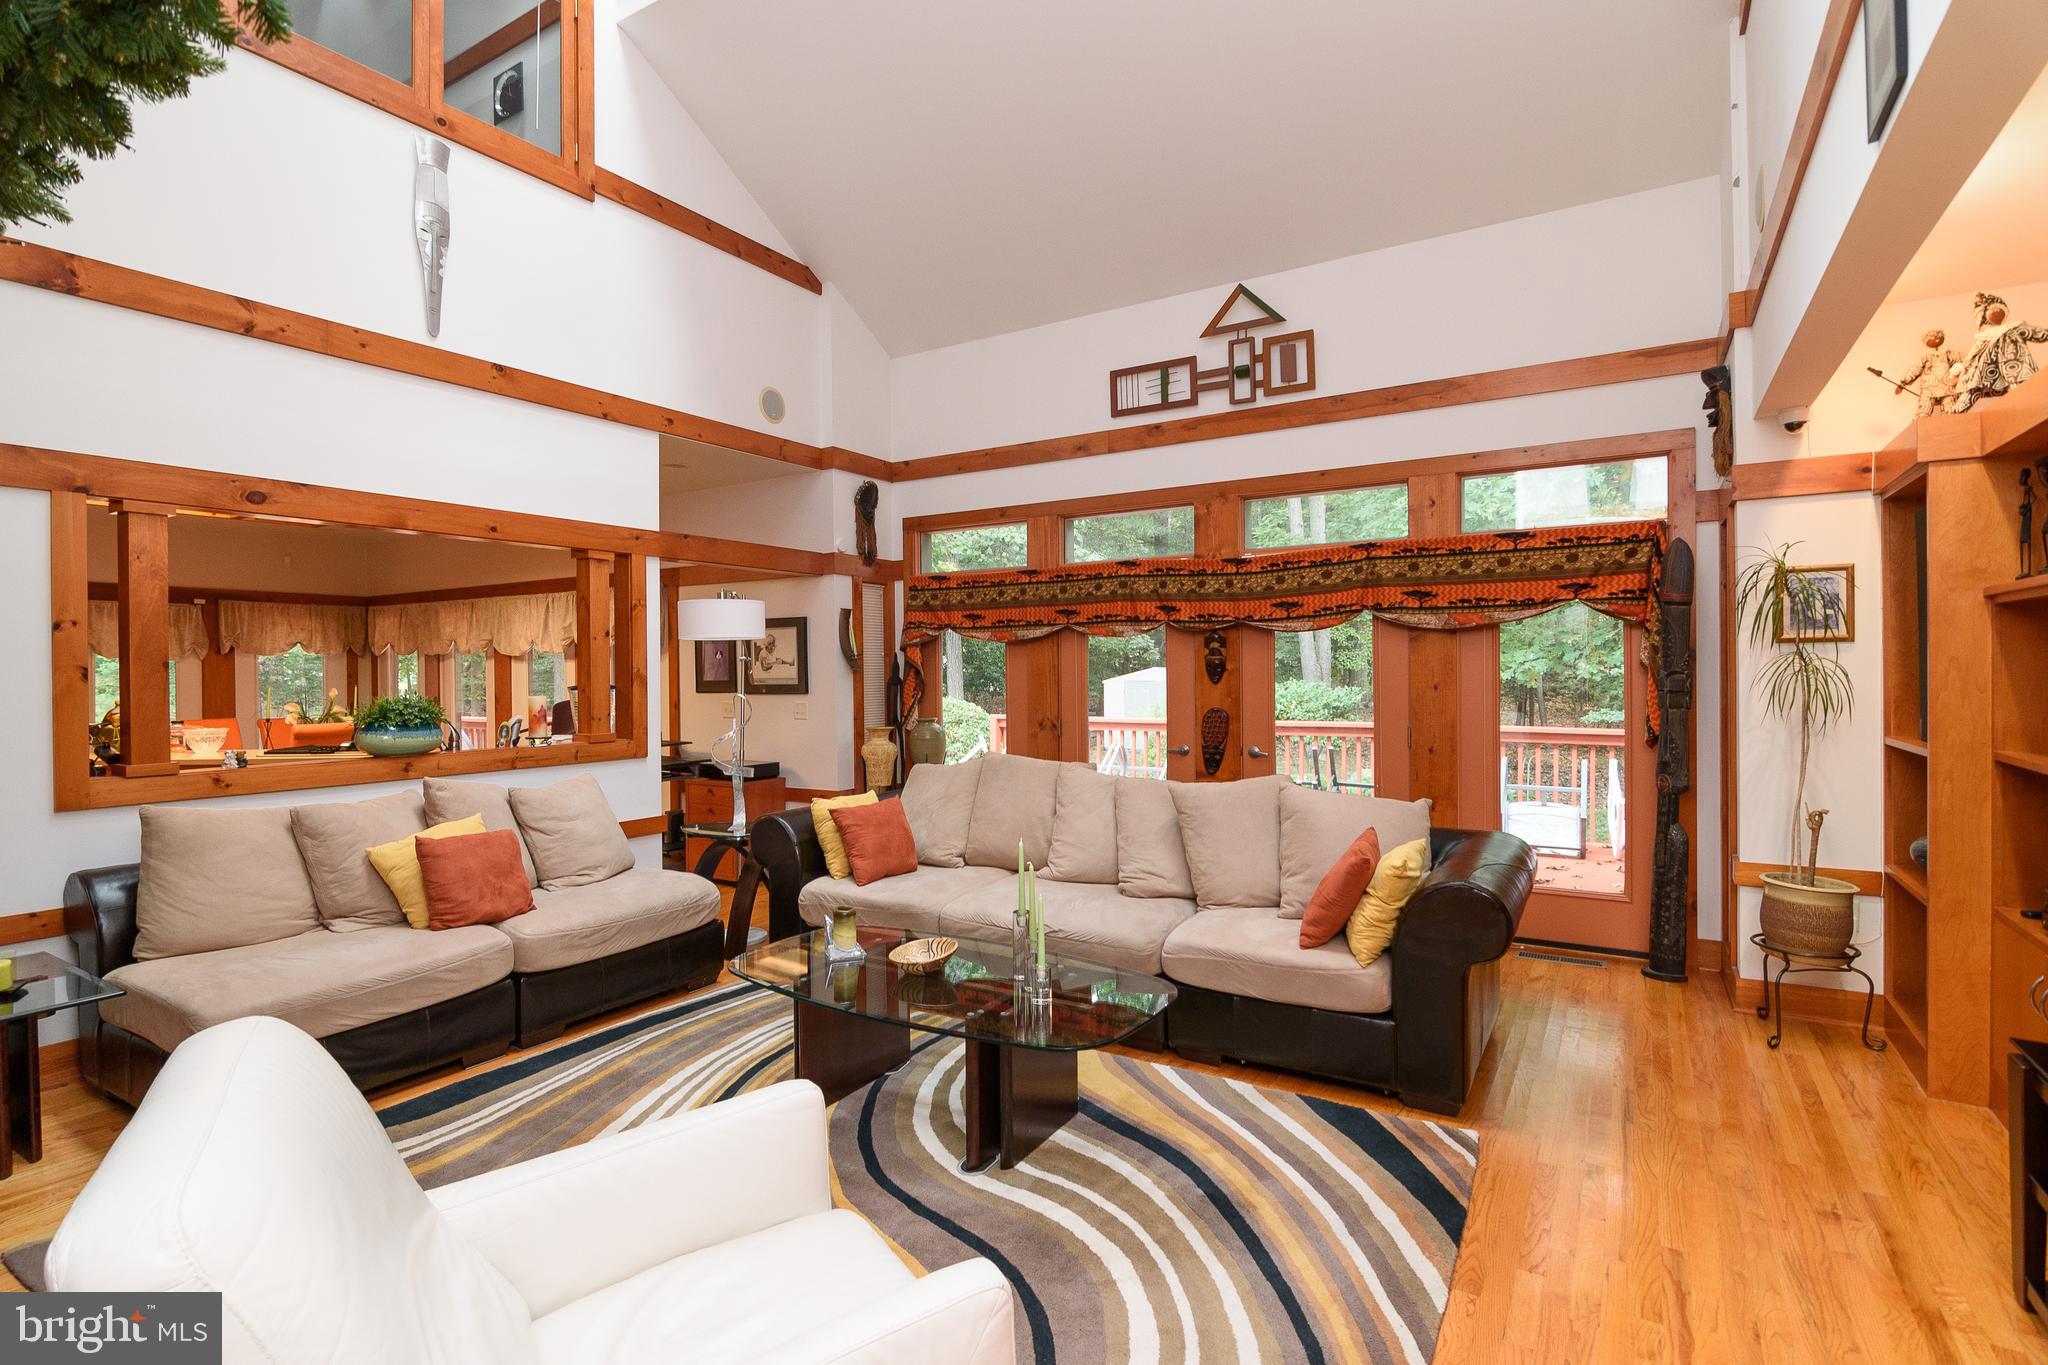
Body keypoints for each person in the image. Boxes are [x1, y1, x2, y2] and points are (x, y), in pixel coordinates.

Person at [1950, 293, 2048, 413]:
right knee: (1973, 387)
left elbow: (2038, 333)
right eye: (1992, 309)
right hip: (1985, 369)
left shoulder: (2014, 329)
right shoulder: (1984, 338)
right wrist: (1962, 367)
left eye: (1998, 309)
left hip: (2012, 364)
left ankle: (2028, 410)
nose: (1996, 311)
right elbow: (1972, 355)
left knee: (2018, 386)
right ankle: (1957, 411)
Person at [1892, 329, 1961, 417]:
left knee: (1950, 411)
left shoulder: (1948, 354)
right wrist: (1903, 383)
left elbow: (1963, 359)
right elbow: (1915, 368)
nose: (1935, 340)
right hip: (1929, 389)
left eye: (1937, 338)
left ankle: (1953, 424)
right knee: (1923, 410)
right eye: (1932, 338)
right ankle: (1921, 423)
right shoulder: (1926, 358)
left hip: (1947, 387)